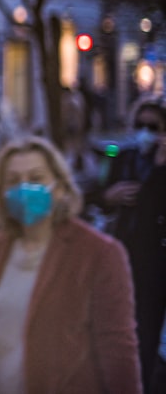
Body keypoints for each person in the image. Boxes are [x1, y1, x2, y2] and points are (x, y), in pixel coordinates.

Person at [0, 136, 141, 394]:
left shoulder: (99, 254)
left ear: (59, 189)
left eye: (36, 178)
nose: (24, 188)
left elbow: (117, 348)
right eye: (13, 181)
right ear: (1, 192)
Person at [92, 94, 166, 392]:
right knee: (129, 330)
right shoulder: (121, 156)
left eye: (153, 126)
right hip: (125, 255)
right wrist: (109, 197)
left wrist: (160, 168)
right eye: (140, 124)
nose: (145, 131)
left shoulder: (161, 165)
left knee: (149, 334)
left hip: (157, 261)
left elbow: (154, 206)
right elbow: (98, 189)